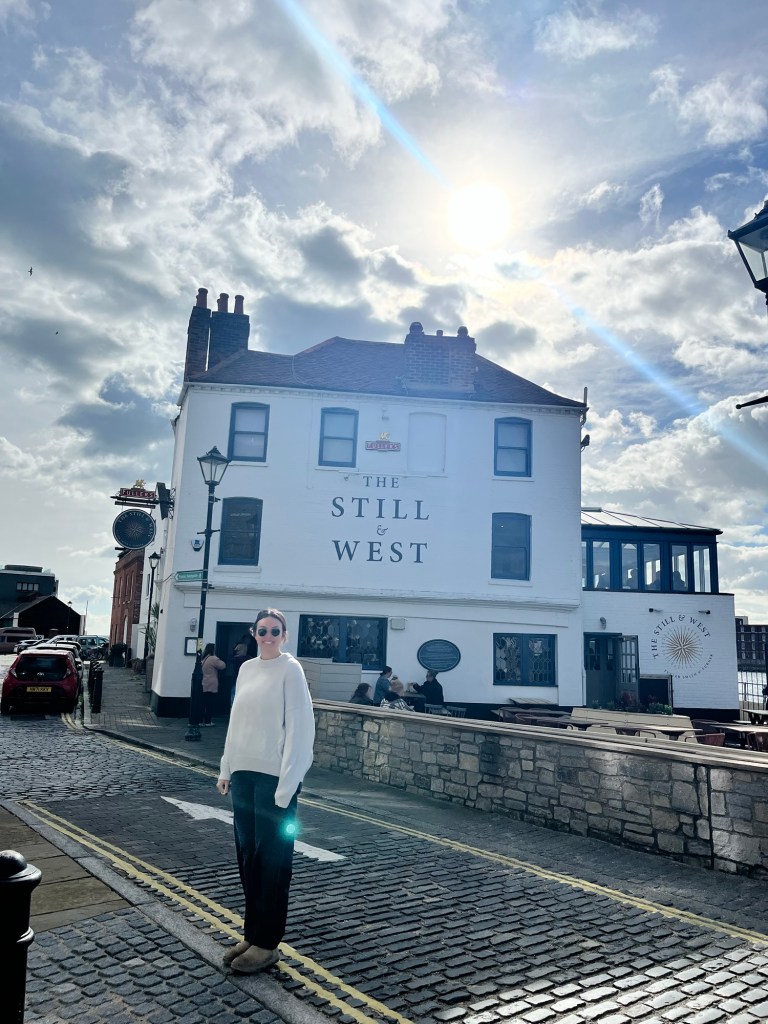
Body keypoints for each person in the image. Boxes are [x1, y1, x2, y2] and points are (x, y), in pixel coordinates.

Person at [216, 609, 315, 975]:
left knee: (272, 862)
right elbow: (236, 722)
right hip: (243, 775)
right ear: (254, 633)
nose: (268, 636)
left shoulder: (291, 670)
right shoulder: (246, 669)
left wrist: (287, 784)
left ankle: (267, 944)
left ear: (284, 635)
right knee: (248, 858)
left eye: (275, 631)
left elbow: (301, 729)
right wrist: (226, 768)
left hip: (274, 779)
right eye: (263, 631)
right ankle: (253, 934)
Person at [201, 643, 226, 725]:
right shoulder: (213, 658)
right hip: (211, 683)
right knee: (210, 703)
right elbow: (223, 666)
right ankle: (208, 721)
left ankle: (201, 720)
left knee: (203, 703)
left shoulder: (204, 658)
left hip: (204, 683)